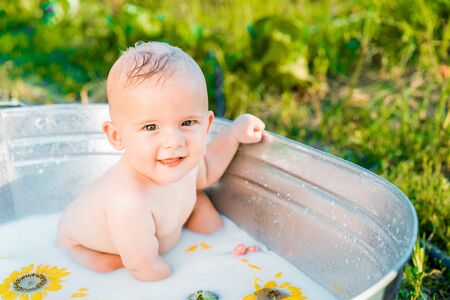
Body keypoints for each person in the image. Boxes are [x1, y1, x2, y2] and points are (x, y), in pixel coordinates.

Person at [57, 41, 265, 281]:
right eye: (151, 127)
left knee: (205, 212)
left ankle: (222, 243)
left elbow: (206, 171)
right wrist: (199, 277)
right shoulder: (128, 202)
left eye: (187, 123)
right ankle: (218, 256)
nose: (174, 142)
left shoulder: (179, 159)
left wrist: (234, 134)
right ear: (117, 136)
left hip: (164, 227)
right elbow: (146, 269)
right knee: (107, 266)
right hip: (89, 246)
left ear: (207, 125)